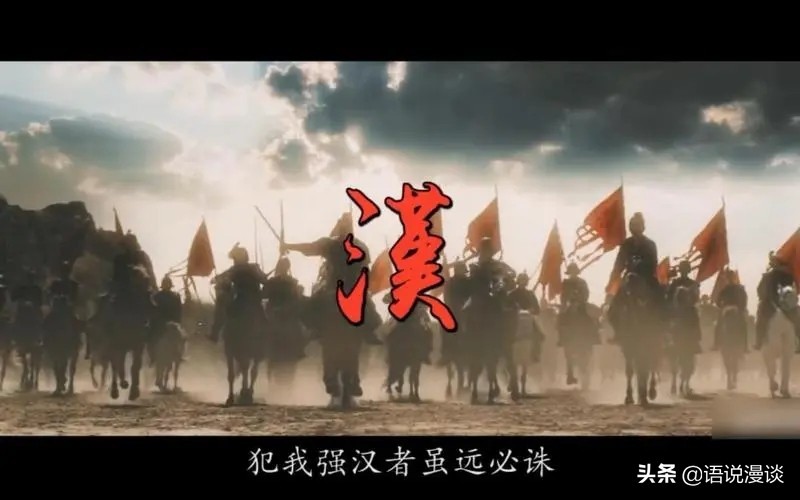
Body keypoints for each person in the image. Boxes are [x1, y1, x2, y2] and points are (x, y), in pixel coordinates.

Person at [209, 244, 270, 342]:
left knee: (221, 302)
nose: (234, 261)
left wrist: (217, 279)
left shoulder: (239, 269)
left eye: (235, 258)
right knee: (263, 319)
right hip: (250, 300)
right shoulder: (251, 267)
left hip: (243, 299)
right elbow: (265, 280)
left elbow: (218, 279)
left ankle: (215, 333)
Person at [755, 252, 800, 352]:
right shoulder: (789, 275)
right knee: (796, 320)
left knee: (761, 320)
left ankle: (759, 342)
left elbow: (760, 290)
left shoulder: (769, 275)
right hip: (785, 302)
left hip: (772, 302)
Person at [666, 260, 702, 353]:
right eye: (683, 269)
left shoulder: (691, 283)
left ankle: (696, 341)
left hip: (686, 309)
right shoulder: (675, 282)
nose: (684, 271)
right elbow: (669, 297)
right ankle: (669, 340)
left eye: (685, 269)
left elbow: (696, 298)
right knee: (669, 322)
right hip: (677, 309)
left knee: (695, 317)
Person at [148, 275, 183, 365]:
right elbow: (179, 312)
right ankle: (176, 355)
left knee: (150, 337)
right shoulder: (173, 296)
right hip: (165, 322)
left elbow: (178, 311)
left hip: (164, 323)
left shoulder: (157, 296)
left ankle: (153, 357)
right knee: (150, 337)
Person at [713, 268, 748, 351]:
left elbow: (718, 301)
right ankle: (745, 347)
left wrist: (721, 306)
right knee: (742, 325)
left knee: (719, 325)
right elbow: (744, 299)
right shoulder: (736, 288)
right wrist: (742, 308)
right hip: (734, 309)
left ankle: (716, 344)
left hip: (730, 309)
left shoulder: (728, 289)